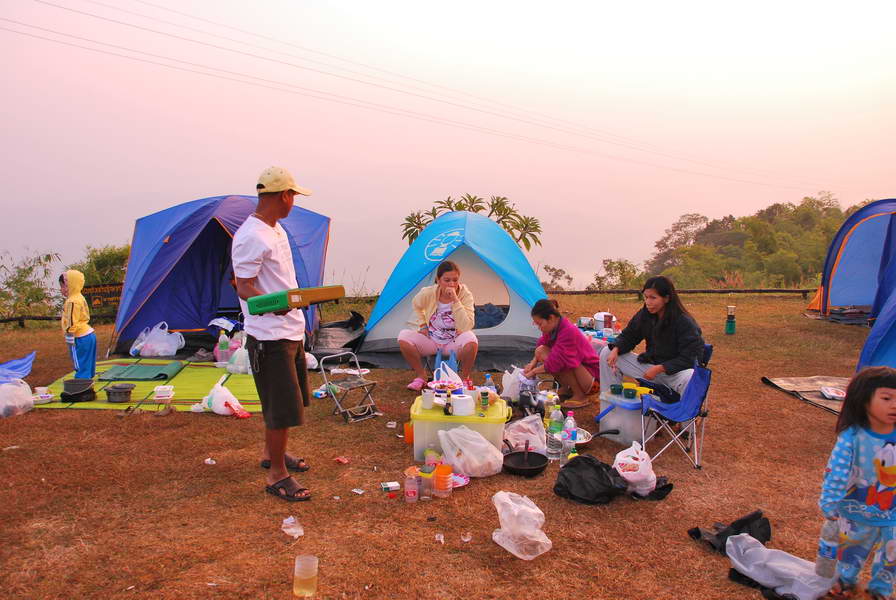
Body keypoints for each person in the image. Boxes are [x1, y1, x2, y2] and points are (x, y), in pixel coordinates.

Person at [232, 166, 314, 503]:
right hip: (269, 335)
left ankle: (273, 453)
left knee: (284, 402)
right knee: (281, 406)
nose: (294, 202)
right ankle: (277, 474)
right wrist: (271, 305)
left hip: (289, 329)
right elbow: (242, 285)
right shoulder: (252, 235)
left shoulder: (274, 229)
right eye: (293, 196)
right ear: (284, 195)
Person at [819, 366, 896, 600]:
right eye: (886, 398)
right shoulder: (853, 436)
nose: (894, 404)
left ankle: (880, 592)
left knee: (891, 557)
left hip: (893, 513)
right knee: (850, 552)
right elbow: (837, 472)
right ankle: (845, 584)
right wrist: (830, 501)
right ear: (864, 401)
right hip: (856, 511)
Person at [600, 276, 703, 398]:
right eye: (646, 297)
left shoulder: (684, 321)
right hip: (649, 368)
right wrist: (616, 348)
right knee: (608, 352)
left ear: (666, 298)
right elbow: (629, 335)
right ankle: (610, 405)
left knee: (691, 377)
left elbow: (689, 358)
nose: (648, 302)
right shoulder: (645, 314)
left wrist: (660, 368)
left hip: (676, 374)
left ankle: (681, 415)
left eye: (653, 298)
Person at [398, 260, 478, 390]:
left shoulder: (465, 295)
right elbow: (416, 305)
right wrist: (423, 325)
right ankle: (421, 376)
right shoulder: (428, 293)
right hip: (432, 339)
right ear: (438, 280)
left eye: (455, 280)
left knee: (472, 340)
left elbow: (467, 325)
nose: (451, 284)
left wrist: (455, 300)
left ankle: (464, 379)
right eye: (447, 280)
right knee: (403, 337)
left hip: (454, 341)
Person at [523, 298, 600, 408]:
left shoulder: (567, 331)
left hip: (592, 381)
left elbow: (555, 362)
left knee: (562, 360)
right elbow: (541, 346)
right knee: (541, 351)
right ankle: (567, 388)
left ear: (551, 318)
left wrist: (533, 372)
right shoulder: (555, 327)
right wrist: (532, 363)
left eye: (540, 324)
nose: (539, 328)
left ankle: (580, 396)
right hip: (583, 374)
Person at [60, 269, 97, 379]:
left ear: (70, 285)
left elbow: (71, 321)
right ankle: (88, 380)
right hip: (89, 334)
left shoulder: (72, 301)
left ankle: (81, 385)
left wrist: (68, 334)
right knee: (87, 362)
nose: (62, 290)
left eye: (63, 286)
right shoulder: (79, 297)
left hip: (79, 336)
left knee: (80, 363)